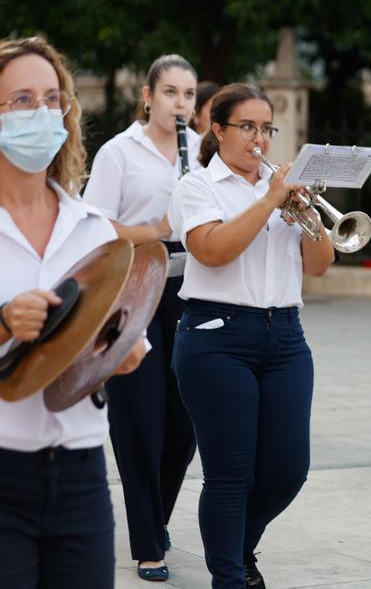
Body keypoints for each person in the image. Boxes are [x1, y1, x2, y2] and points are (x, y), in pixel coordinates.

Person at [169, 83, 334, 589]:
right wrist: (269, 200)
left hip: (284, 335)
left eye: (267, 128)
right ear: (217, 130)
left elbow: (321, 266)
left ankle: (238, 550)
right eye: (247, 127)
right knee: (230, 473)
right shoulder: (197, 186)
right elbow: (213, 251)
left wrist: (309, 214)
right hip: (216, 336)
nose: (259, 138)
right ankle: (229, 577)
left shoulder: (280, 188)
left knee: (288, 469)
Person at [0, 36, 146, 589]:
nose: (41, 112)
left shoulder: (93, 229)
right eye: (21, 100)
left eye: (51, 97)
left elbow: (125, 346)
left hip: (82, 475)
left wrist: (121, 352)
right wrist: (5, 320)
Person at [83, 53, 201, 582]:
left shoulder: (200, 151)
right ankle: (148, 545)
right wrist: (155, 227)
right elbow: (94, 229)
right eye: (171, 93)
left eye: (189, 95)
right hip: (132, 289)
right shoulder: (117, 153)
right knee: (141, 422)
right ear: (148, 96)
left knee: (185, 425)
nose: (180, 104)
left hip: (189, 290)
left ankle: (155, 517)